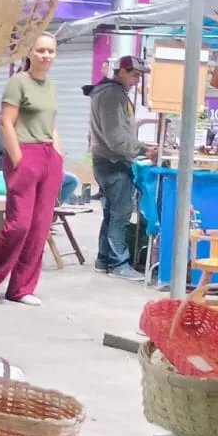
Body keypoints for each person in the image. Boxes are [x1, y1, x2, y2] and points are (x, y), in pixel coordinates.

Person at [0, 34, 63, 306]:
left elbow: (51, 123)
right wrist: (18, 159)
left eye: (50, 51)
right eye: (41, 50)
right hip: (25, 153)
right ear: (29, 53)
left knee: (40, 226)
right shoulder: (18, 82)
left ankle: (22, 287)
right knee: (19, 224)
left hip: (49, 155)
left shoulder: (51, 86)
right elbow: (6, 123)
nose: (46, 56)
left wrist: (58, 154)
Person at [85, 55, 149, 281]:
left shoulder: (108, 92)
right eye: (134, 75)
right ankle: (118, 263)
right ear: (121, 71)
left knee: (111, 213)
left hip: (106, 160)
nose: (137, 80)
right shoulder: (112, 95)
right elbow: (116, 138)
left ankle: (104, 260)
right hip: (113, 162)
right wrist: (143, 150)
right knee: (120, 214)